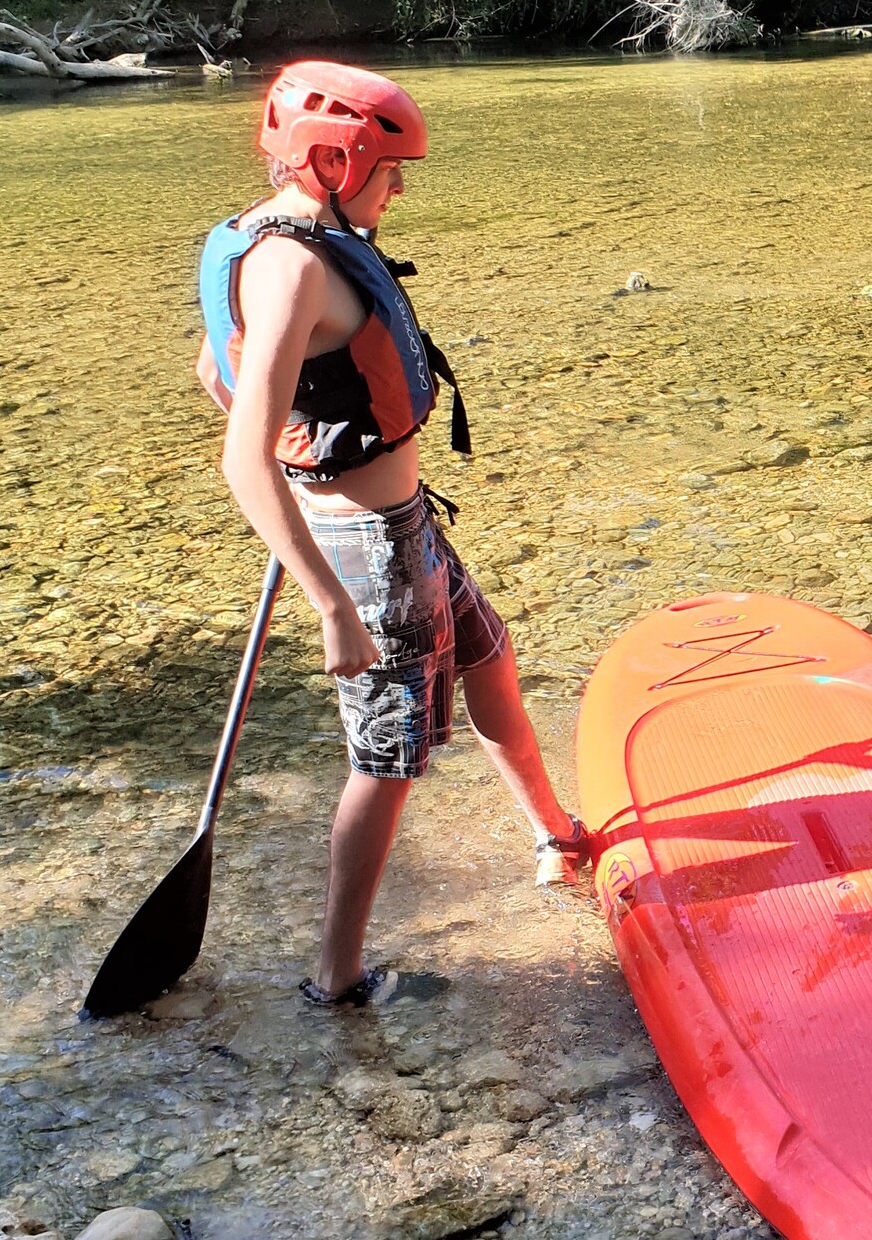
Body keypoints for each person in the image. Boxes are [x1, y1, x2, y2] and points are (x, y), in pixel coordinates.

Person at [196, 60, 592, 1007]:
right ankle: (335, 976)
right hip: (367, 551)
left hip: (402, 528)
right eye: (391, 167)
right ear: (334, 159)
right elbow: (240, 458)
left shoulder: (276, 232)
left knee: (490, 656)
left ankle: (553, 832)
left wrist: (291, 423)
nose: (403, 185)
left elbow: (212, 369)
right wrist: (330, 602)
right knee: (386, 760)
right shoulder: (289, 265)